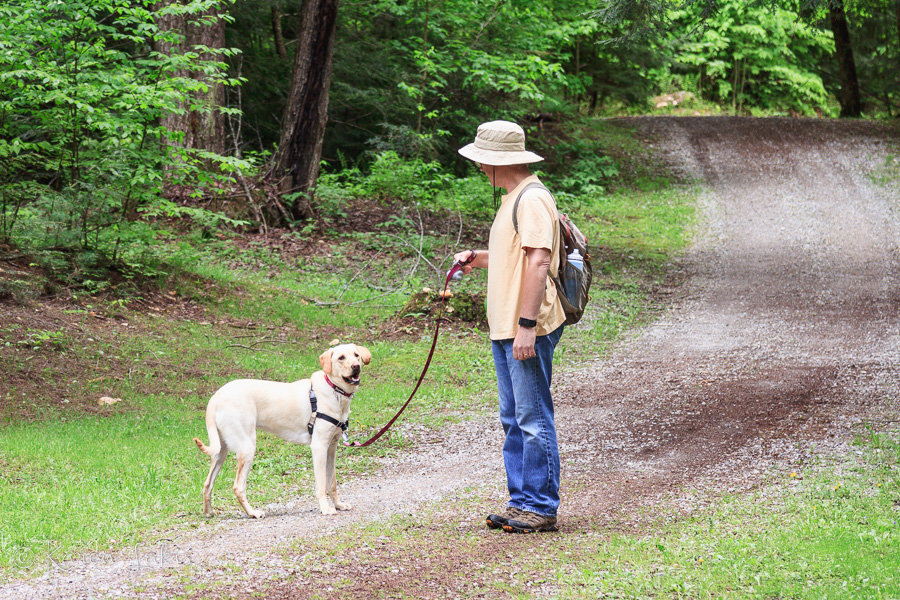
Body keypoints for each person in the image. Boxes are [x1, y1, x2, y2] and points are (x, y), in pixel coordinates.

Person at [454, 120, 566, 534]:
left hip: (524, 326)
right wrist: (478, 257)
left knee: (532, 417)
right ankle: (521, 501)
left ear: (501, 162)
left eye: (483, 161)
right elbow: (516, 255)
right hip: (505, 326)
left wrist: (526, 326)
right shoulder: (512, 198)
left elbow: (539, 261)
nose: (480, 168)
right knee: (513, 417)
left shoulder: (532, 198)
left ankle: (540, 505)